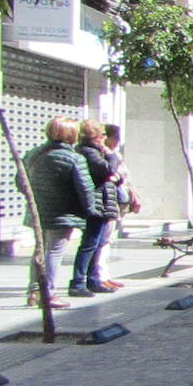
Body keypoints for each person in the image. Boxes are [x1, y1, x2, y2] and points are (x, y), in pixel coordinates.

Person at [21, 117, 96, 309]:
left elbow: (20, 181)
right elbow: (85, 188)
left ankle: (34, 291)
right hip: (62, 213)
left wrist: (38, 196)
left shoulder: (33, 154)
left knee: (39, 251)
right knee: (54, 252)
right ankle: (49, 293)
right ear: (72, 135)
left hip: (38, 211)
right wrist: (90, 211)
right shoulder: (74, 158)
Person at [68, 119, 119, 297]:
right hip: (96, 202)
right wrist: (111, 155)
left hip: (102, 201)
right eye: (102, 135)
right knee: (89, 243)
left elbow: (114, 175)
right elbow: (108, 169)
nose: (105, 138)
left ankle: (92, 279)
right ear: (96, 136)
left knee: (96, 243)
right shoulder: (89, 152)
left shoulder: (94, 152)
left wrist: (114, 175)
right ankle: (78, 281)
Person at [94, 124, 140, 290]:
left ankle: (104, 275)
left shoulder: (114, 154)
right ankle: (100, 275)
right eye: (116, 138)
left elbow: (125, 177)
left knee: (108, 240)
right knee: (103, 240)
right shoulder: (103, 155)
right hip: (109, 201)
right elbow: (114, 176)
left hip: (118, 201)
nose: (118, 142)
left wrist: (134, 194)